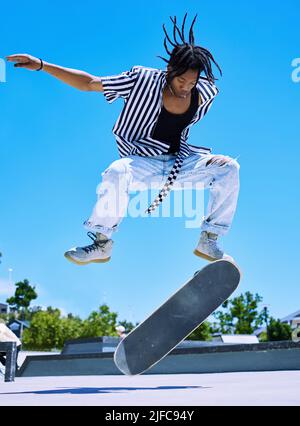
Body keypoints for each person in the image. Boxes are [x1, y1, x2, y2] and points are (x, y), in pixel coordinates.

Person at [6, 13, 240, 264]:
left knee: (228, 167)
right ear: (170, 70)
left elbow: (199, 91)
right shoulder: (141, 80)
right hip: (142, 162)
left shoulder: (204, 92)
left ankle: (210, 238)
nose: (186, 87)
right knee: (117, 171)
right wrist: (42, 65)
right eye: (181, 80)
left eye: (191, 83)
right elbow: (90, 83)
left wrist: (194, 87)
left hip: (180, 163)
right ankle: (102, 242)